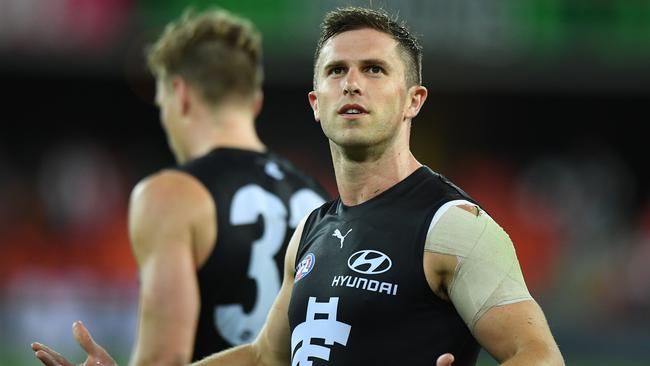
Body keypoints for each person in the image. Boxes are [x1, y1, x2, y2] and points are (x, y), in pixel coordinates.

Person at [32, 6, 565, 366]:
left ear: (413, 101)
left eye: (375, 69)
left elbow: (538, 355)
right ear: (316, 104)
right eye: (336, 71)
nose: (352, 82)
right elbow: (265, 356)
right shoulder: (313, 228)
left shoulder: (452, 226)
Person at [32, 8, 329, 366]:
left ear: (180, 94)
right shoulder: (320, 200)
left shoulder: (171, 194)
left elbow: (164, 359)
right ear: (255, 102)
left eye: (162, 103)